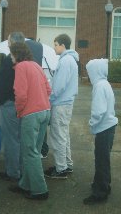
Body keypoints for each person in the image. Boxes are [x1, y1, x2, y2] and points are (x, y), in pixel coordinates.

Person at [0, 32, 44, 181]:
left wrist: (0, 100)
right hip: (21, 104)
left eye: (8, 41)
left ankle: (13, 172)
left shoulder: (12, 61)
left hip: (10, 104)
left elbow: (5, 84)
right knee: (19, 139)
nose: (7, 43)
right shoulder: (28, 60)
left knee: (11, 140)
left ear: (12, 43)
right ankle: (19, 170)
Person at [9, 42, 51, 200]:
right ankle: (25, 185)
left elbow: (20, 95)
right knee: (34, 151)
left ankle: (40, 190)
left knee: (30, 153)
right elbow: (48, 90)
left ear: (16, 54)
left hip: (31, 114)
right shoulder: (36, 65)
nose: (10, 57)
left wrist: (19, 111)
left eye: (11, 53)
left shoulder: (21, 67)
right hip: (45, 112)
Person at [83, 58, 118, 205]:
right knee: (104, 159)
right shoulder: (105, 84)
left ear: (95, 71)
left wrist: (92, 124)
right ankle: (104, 184)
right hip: (109, 126)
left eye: (90, 72)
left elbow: (98, 111)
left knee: (101, 160)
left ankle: (100, 193)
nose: (89, 75)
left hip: (104, 128)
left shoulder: (99, 86)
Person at [44, 33, 79, 179]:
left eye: (56, 44)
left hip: (60, 104)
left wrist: (49, 99)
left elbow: (59, 87)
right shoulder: (70, 60)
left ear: (63, 45)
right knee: (63, 135)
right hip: (66, 104)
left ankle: (60, 169)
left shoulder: (65, 61)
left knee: (57, 136)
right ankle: (67, 164)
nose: (54, 47)